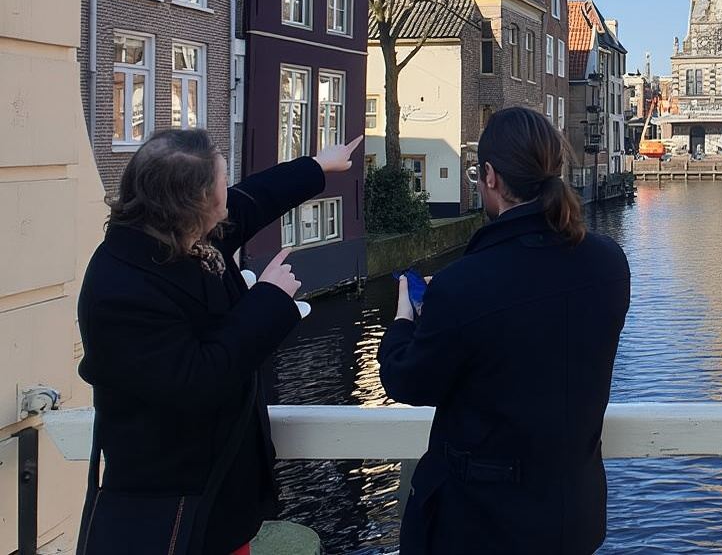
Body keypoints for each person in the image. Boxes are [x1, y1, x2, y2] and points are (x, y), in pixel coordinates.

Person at [76, 128, 361, 555]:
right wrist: (269, 300)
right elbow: (197, 380)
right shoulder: (120, 288)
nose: (228, 193)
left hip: (218, 502)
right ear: (195, 203)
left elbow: (253, 200)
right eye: (221, 183)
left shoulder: (178, 236)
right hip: (178, 509)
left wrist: (318, 166)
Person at [379, 107, 631, 555]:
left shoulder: (464, 284)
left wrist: (406, 318)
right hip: (574, 518)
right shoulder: (610, 264)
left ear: (490, 177)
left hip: (483, 527)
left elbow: (408, 380)